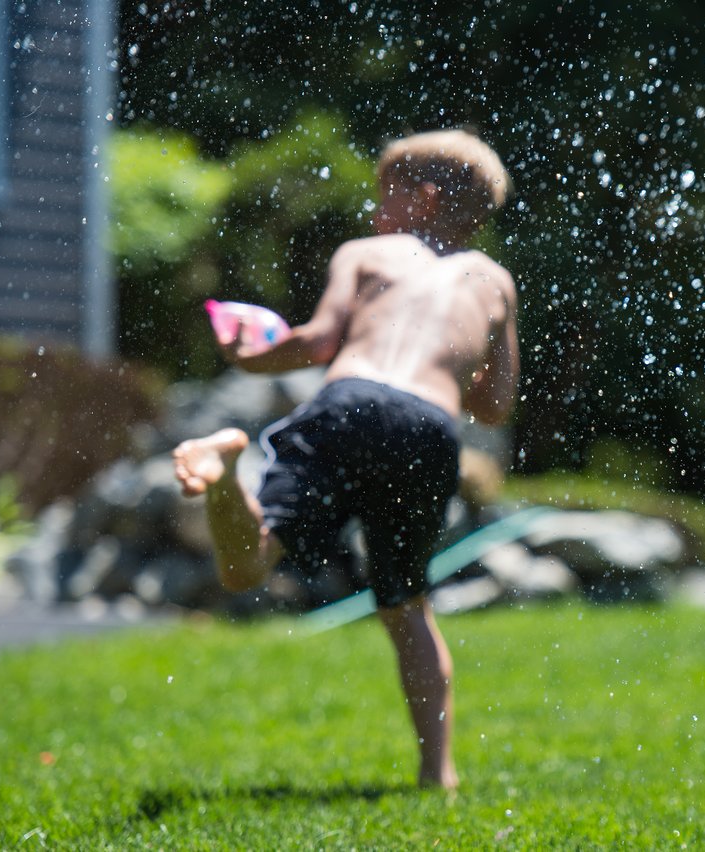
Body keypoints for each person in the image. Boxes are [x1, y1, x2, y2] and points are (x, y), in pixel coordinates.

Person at [172, 129, 518, 790]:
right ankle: (435, 774)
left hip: (350, 401)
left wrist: (251, 356)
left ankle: (225, 476)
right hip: (428, 428)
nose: (374, 213)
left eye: (383, 196)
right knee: (407, 606)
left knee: (249, 565)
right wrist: (451, 364)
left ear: (422, 197)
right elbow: (497, 406)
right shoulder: (495, 282)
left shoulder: (367, 253)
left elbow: (319, 341)